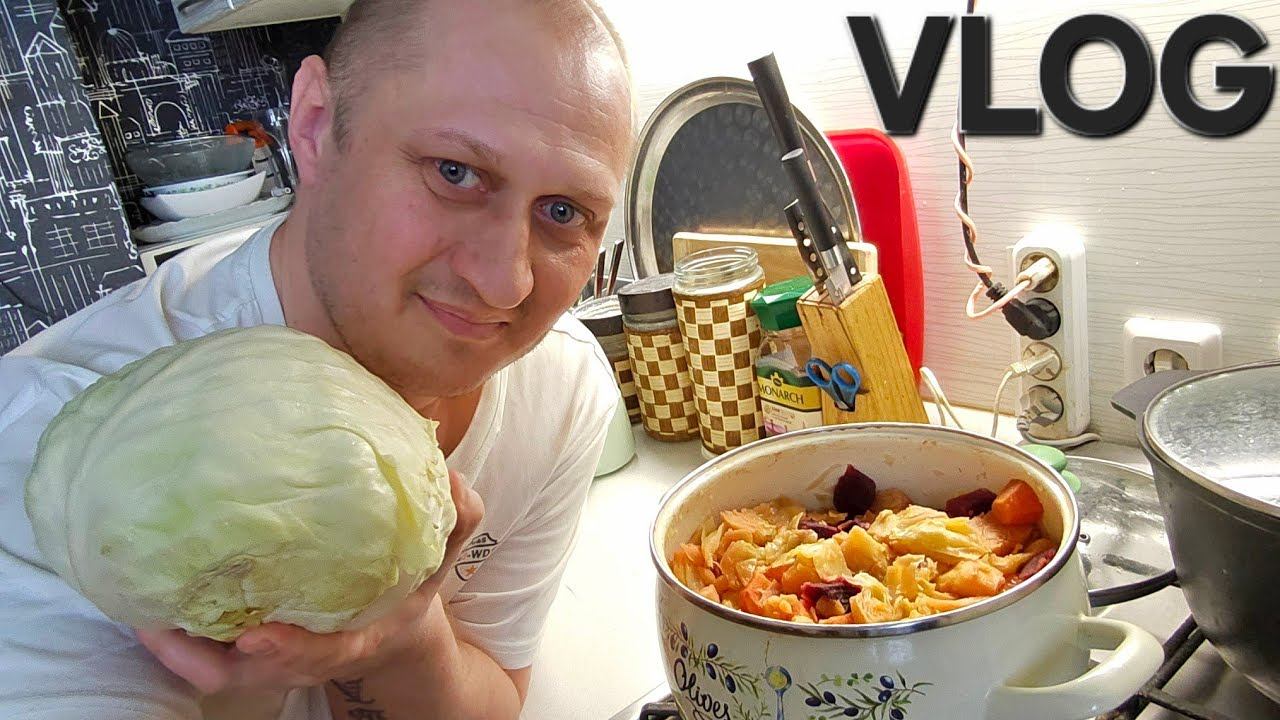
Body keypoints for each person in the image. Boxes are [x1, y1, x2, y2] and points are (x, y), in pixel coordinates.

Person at [0, 0, 634, 718]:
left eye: (562, 213)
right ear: (314, 125)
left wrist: (407, 643)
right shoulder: (49, 459)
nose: (505, 283)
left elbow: (494, 692)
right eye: (455, 172)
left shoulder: (560, 383)